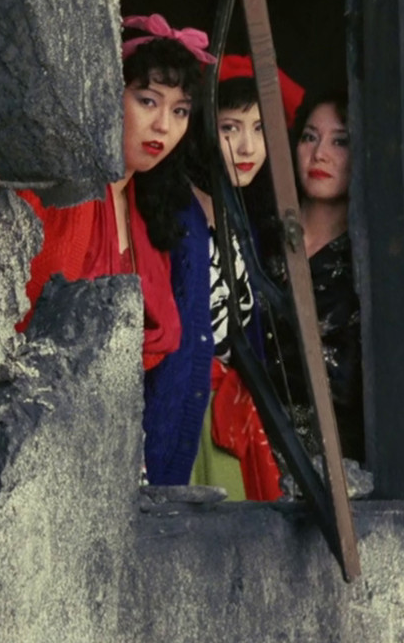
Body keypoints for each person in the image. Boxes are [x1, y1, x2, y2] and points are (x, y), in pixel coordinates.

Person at [0, 14, 211, 370]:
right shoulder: (49, 191)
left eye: (180, 111)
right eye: (148, 101)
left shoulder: (147, 212)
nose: (164, 125)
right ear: (108, 97)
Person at [142, 57, 304, 500]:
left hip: (228, 416)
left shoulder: (241, 216)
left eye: (260, 128)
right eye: (230, 127)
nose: (248, 147)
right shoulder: (173, 214)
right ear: (200, 129)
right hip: (182, 409)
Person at [264, 91, 364, 463]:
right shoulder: (259, 237)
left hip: (328, 462)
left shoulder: (364, 262)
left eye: (340, 141)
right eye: (310, 137)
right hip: (237, 438)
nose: (319, 154)